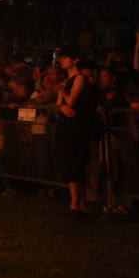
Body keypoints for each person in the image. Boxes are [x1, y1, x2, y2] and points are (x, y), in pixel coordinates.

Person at [53, 49, 97, 213]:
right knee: (69, 160)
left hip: (76, 125)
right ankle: (79, 202)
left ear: (75, 59)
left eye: (65, 57)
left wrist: (63, 91)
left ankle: (76, 203)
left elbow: (71, 100)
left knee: (75, 161)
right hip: (66, 124)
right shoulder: (67, 80)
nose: (62, 60)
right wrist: (61, 105)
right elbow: (60, 104)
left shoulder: (80, 78)